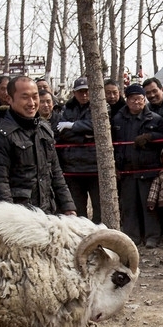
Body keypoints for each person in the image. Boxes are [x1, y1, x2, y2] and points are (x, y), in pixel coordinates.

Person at [0, 75, 75, 215]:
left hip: (47, 212)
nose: (32, 103)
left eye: (35, 96)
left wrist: (68, 207)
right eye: (25, 97)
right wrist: (9, 217)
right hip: (19, 216)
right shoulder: (0, 135)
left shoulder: (44, 129)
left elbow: (56, 172)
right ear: (9, 99)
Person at [111, 83, 163, 246]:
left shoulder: (155, 119)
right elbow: (112, 143)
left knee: (149, 204)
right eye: (133, 99)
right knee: (129, 205)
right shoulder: (118, 119)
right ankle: (132, 237)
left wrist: (151, 136)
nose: (136, 102)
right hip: (126, 169)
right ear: (127, 100)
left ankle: (152, 236)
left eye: (140, 99)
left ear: (144, 100)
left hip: (148, 169)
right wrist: (115, 165)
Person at [55, 77, 101, 223]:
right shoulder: (67, 108)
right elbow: (61, 132)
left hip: (94, 167)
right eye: (80, 92)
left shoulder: (99, 105)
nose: (84, 95)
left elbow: (97, 126)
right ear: (74, 93)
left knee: (99, 207)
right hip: (72, 167)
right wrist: (85, 137)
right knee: (77, 207)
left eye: (87, 91)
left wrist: (73, 126)